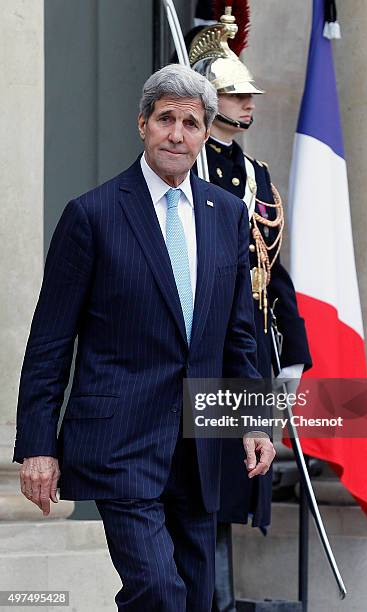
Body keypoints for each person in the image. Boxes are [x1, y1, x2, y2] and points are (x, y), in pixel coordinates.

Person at [13, 64, 276, 612]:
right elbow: (50, 343)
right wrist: (39, 445)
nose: (176, 134)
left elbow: (238, 333)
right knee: (158, 591)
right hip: (121, 442)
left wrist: (252, 420)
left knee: (197, 597)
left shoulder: (227, 214)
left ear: (206, 132)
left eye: (190, 122)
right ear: (142, 124)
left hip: (201, 442)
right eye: (165, 120)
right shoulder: (92, 215)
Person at [189, 9, 312, 611]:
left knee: (244, 478)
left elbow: (274, 267)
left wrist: (295, 350)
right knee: (205, 480)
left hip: (252, 341)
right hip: (206, 341)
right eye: (235, 93)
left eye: (248, 94)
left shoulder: (257, 174)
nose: (249, 103)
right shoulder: (190, 168)